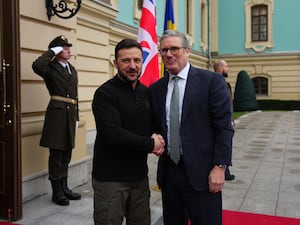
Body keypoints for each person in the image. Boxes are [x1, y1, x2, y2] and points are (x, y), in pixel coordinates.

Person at [150, 30, 234, 225]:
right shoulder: (156, 89)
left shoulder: (211, 81)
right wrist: (154, 136)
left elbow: (224, 127)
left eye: (174, 49)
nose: (169, 54)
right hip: (170, 173)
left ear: (187, 51)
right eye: (164, 50)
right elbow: (155, 124)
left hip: (203, 173)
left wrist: (220, 167)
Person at [92, 38, 165, 225]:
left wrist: (157, 135)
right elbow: (113, 134)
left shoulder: (145, 92)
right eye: (126, 61)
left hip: (139, 178)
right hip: (111, 181)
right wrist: (151, 144)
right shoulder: (105, 94)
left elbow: (151, 124)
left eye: (137, 60)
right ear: (115, 62)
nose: (132, 66)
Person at [32, 35, 81, 206]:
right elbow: (37, 65)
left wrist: (77, 117)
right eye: (64, 47)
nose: (68, 50)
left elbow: (75, 95)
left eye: (68, 47)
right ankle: (57, 191)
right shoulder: (50, 67)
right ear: (57, 51)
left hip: (70, 114)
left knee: (67, 152)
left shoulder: (71, 69)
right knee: (57, 154)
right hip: (57, 115)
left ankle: (65, 187)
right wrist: (51, 52)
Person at [214, 59, 236, 181]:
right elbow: (225, 105)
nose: (228, 69)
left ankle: (225, 170)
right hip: (224, 121)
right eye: (226, 66)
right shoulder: (218, 82)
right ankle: (224, 171)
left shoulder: (220, 81)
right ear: (220, 68)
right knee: (224, 143)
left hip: (226, 119)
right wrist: (229, 120)